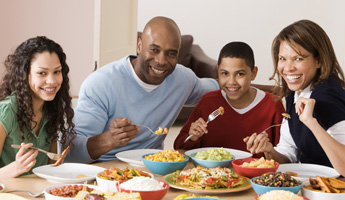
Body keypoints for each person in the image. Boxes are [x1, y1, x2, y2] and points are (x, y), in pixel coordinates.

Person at [66, 16, 219, 163]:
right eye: (154, 50)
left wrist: (239, 76)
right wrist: (108, 140)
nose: (161, 61)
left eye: (171, 53)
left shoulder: (182, 79)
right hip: (105, 171)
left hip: (155, 169)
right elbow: (71, 153)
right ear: (139, 46)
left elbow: (224, 88)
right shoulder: (101, 84)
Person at [244, 19, 345, 176]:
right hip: (310, 184)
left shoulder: (328, 97)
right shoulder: (296, 90)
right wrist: (269, 151)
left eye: (298, 58)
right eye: (282, 58)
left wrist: (311, 122)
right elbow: (289, 155)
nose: (288, 68)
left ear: (319, 60)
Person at [174, 42, 285, 158]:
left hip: (255, 175)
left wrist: (269, 150)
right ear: (218, 71)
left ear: (253, 73)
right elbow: (179, 147)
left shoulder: (273, 105)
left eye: (240, 74)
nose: (231, 81)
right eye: (225, 73)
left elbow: (285, 158)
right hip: (211, 174)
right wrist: (193, 137)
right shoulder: (208, 102)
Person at [0, 36, 76, 178]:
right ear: (24, 74)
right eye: (42, 73)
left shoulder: (53, 110)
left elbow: (50, 168)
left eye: (57, 72)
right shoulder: (5, 112)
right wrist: (16, 168)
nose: (52, 81)